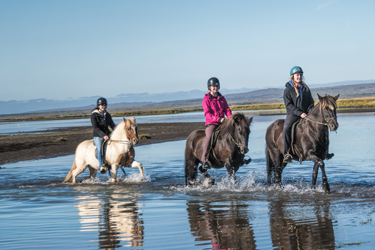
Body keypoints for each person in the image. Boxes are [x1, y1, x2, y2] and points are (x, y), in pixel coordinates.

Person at [282, 66, 333, 163]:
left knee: (324, 126)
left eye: (300, 75)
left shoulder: (305, 88)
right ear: (292, 76)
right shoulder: (287, 90)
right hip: (293, 114)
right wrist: (300, 113)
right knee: (286, 128)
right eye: (297, 75)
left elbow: (310, 102)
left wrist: (310, 112)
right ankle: (286, 153)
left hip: (306, 114)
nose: (299, 77)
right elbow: (288, 105)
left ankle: (325, 152)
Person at [201, 77, 232, 168]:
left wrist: (230, 119)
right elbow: (207, 114)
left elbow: (227, 109)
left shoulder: (222, 98)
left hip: (223, 122)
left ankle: (239, 156)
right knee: (209, 136)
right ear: (209, 87)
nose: (215, 87)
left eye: (216, 86)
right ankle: (204, 159)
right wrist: (218, 119)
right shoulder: (206, 99)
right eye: (213, 86)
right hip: (212, 123)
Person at [91, 97, 116, 173]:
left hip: (108, 134)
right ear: (98, 106)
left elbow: (112, 125)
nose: (103, 106)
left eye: (104, 105)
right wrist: (103, 135)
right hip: (98, 135)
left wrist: (117, 132)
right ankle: (101, 165)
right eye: (101, 105)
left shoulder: (107, 115)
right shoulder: (94, 115)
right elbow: (95, 127)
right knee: (99, 148)